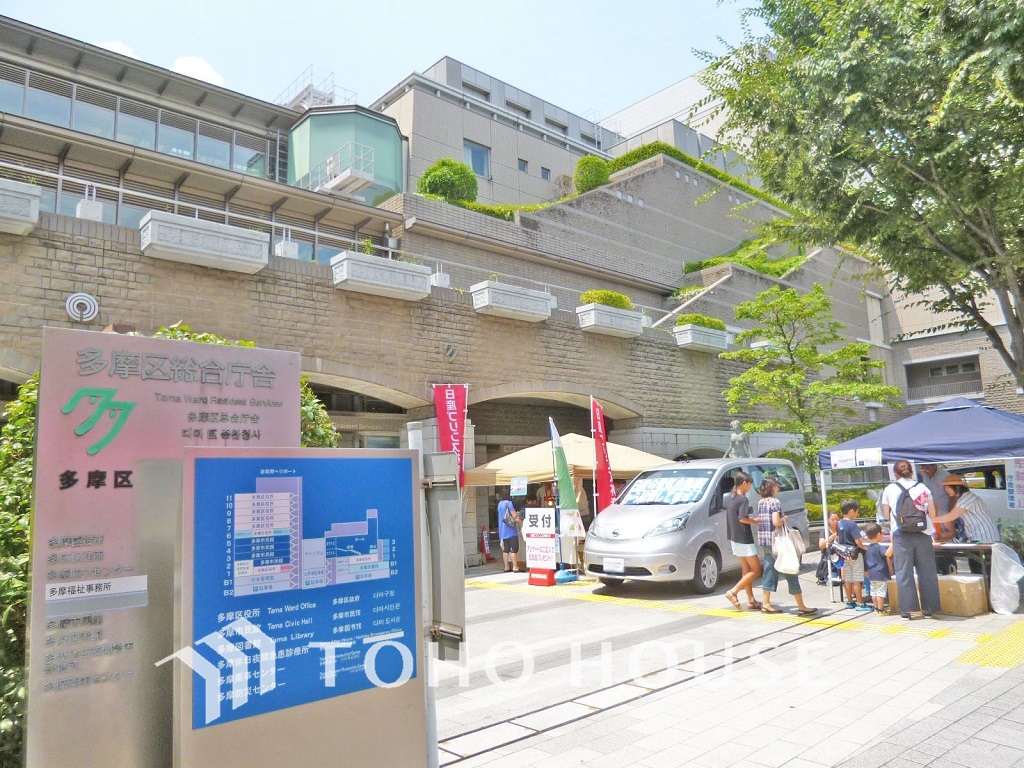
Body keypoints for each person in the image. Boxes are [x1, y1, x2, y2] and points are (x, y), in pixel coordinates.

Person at [881, 459, 941, 619]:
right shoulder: (923, 488)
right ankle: (930, 607)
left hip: (901, 534)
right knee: (927, 571)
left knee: (904, 571)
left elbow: (887, 515)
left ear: (895, 473)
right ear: (912, 472)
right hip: (923, 533)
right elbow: (933, 514)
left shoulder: (889, 489)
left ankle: (908, 609)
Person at [756, 477, 817, 615]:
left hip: (765, 540)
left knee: (769, 571)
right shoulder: (775, 502)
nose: (778, 488)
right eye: (777, 486)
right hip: (778, 541)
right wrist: (785, 519)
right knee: (790, 569)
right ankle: (801, 606)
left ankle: (766, 603)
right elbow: (776, 522)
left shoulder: (761, 502)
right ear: (772, 487)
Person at [933, 474, 1001, 576]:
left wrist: (930, 520)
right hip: (978, 537)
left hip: (985, 538)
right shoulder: (964, 498)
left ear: (956, 487)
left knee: (984, 570)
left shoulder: (967, 498)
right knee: (976, 567)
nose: (946, 490)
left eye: (947, 487)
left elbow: (951, 516)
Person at [724, 471, 763, 610]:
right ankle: (733, 592)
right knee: (756, 570)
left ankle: (751, 600)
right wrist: (755, 520)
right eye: (750, 484)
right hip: (744, 538)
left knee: (746, 570)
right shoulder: (743, 499)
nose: (751, 487)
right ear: (745, 483)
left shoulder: (731, 498)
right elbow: (742, 518)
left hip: (734, 538)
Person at [838, 499, 873, 611]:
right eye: (857, 512)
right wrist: (864, 547)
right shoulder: (852, 524)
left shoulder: (840, 523)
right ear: (852, 511)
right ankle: (860, 603)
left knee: (848, 579)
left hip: (845, 555)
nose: (857, 514)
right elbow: (857, 541)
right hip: (855, 555)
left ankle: (850, 601)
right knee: (857, 579)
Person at [863, 522, 893, 613]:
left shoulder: (869, 548)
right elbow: (887, 554)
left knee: (874, 592)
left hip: (872, 573)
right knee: (880, 592)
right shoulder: (879, 547)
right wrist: (893, 544)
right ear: (879, 534)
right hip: (881, 573)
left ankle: (876, 608)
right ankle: (881, 609)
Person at [817, 512, 844, 591]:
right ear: (828, 520)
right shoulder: (825, 531)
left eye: (837, 519)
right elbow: (821, 545)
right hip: (830, 561)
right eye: (832, 520)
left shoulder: (843, 530)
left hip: (842, 560)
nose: (835, 522)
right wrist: (834, 535)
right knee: (833, 581)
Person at [496, 492, 521, 573]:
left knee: (505, 549)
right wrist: (517, 514)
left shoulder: (500, 504)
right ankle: (515, 567)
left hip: (502, 530)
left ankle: (506, 567)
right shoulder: (509, 503)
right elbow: (514, 515)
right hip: (511, 530)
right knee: (514, 549)